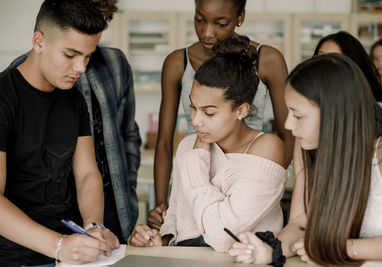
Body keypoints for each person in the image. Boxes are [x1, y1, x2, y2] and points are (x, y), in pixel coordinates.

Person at [228, 53, 382, 266]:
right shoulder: (306, 146)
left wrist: (341, 250)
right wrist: (269, 251)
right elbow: (300, 224)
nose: (289, 125)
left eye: (298, 115)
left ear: (334, 113)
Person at [129, 35, 287, 252]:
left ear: (241, 110)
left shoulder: (267, 148)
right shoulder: (188, 145)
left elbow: (221, 237)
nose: (196, 121)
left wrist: (198, 158)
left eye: (209, 112)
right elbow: (178, 225)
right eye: (193, 107)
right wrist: (158, 240)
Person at [148, 0, 294, 230]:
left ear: (240, 17)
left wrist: (262, 181)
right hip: (193, 167)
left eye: (221, 23)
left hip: (247, 174)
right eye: (199, 19)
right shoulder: (178, 62)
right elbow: (164, 142)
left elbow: (289, 134)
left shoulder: (269, 59)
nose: (207, 32)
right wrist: (162, 203)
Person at [9, 0, 142, 244]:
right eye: (70, 54)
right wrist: (58, 245)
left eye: (88, 56)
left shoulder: (74, 99)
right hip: (22, 243)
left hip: (85, 224)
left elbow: (88, 172)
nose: (80, 67)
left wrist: (95, 223)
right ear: (39, 42)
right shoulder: (9, 93)